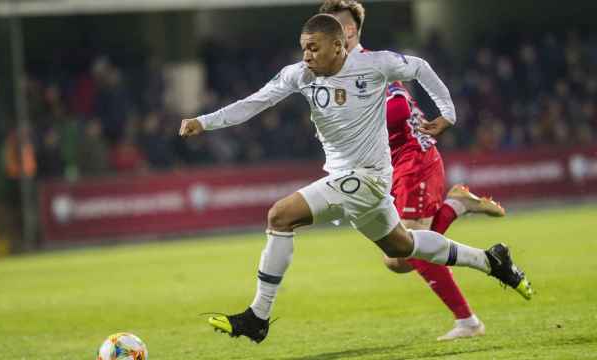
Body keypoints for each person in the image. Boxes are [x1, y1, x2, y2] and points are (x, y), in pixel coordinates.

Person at [179, 14, 532, 344]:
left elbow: (420, 68)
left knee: (280, 215)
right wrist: (204, 121)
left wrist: (447, 113)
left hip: (368, 178)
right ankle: (491, 261)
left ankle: (257, 316)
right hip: (348, 178)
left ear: (338, 46)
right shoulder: (298, 75)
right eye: (303, 47)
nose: (307, 54)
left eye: (314, 47)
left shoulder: (373, 65)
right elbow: (254, 102)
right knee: (402, 250)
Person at [319, 0, 506, 341]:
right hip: (390, 168)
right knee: (396, 259)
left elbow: (398, 106)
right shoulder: (333, 74)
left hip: (413, 161)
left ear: (348, 32)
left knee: (409, 250)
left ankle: (468, 322)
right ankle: (457, 205)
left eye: (333, 27)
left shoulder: (370, 65)